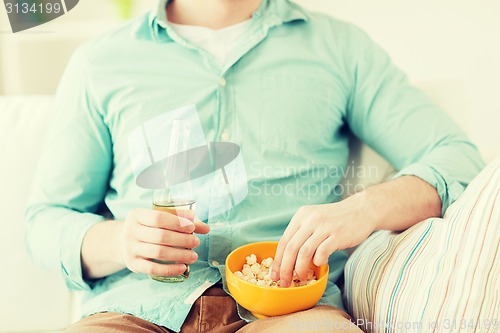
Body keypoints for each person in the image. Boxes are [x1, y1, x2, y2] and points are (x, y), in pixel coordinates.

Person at [25, 0, 485, 332]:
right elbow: (45, 220)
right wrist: (119, 241)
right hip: (134, 314)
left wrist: (362, 210)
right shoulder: (99, 62)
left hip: (294, 315)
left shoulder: (340, 48)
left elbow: (457, 157)